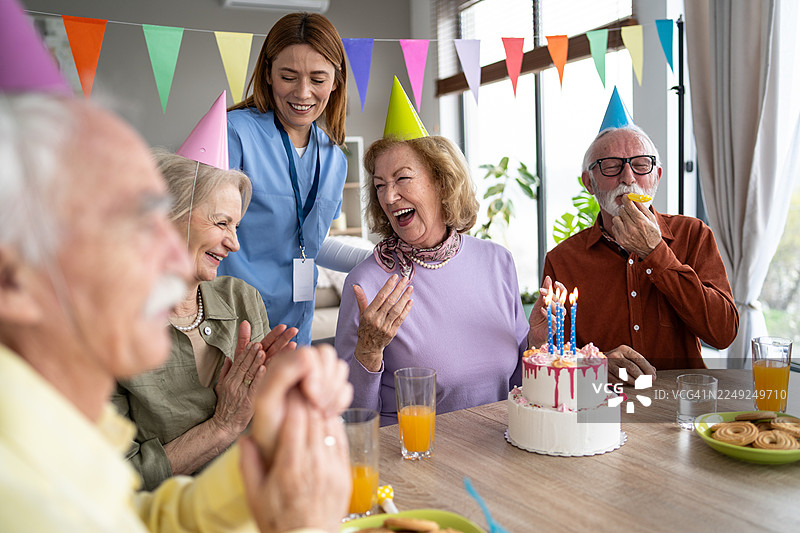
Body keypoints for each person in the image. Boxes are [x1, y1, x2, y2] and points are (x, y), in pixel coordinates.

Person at [0, 3, 351, 528]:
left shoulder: (66, 434)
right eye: (139, 226)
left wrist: (257, 472)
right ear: (14, 279)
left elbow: (142, 513)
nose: (174, 260)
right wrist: (228, 432)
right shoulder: (24, 485)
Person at [334, 82, 530, 425]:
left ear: (441, 182)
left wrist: (539, 343)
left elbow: (518, 385)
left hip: (501, 452)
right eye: (380, 185)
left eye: (402, 179)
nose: (389, 196)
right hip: (416, 464)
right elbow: (354, 420)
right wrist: (368, 351)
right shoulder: (365, 283)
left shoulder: (498, 262)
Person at [112, 150, 299, 490]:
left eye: (236, 226)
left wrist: (284, 396)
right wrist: (221, 427)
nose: (235, 243)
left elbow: (269, 430)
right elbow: (117, 477)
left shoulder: (241, 298)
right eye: (222, 222)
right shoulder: (109, 323)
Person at [528, 124, 738, 384]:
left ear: (656, 176)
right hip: (603, 410)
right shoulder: (562, 260)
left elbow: (723, 333)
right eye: (612, 166)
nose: (628, 177)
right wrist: (594, 363)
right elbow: (553, 356)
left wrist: (655, 252)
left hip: (684, 405)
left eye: (641, 165)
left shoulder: (693, 235)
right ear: (589, 183)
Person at [221, 12, 370, 346]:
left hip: (294, 323)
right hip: (231, 320)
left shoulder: (333, 157)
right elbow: (199, 233)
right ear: (269, 74)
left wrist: (375, 259)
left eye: (318, 79)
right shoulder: (235, 134)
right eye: (289, 76)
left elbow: (310, 244)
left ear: (336, 81)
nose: (303, 93)